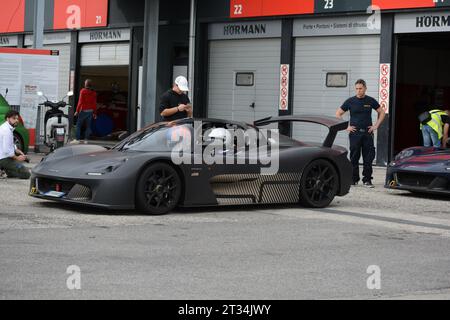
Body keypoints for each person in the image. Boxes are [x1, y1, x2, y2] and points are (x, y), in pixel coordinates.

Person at [336, 79, 386, 188]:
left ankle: (367, 180)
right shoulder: (350, 101)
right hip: (355, 134)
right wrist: (346, 127)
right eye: (357, 89)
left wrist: (376, 126)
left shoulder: (370, 100)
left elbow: (382, 112)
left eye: (360, 88)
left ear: (365, 88)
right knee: (354, 157)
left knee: (368, 158)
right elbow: (338, 113)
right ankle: (353, 180)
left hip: (367, 133)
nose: (358, 91)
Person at [0, 110, 30, 179]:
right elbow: (7, 151)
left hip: (4, 157)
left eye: (17, 118)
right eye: (14, 118)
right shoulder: (6, 131)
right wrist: (17, 158)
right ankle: (3, 168)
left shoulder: (7, 128)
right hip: (3, 158)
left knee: (14, 170)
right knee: (26, 174)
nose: (16, 120)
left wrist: (17, 150)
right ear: (8, 119)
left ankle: (4, 170)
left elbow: (9, 144)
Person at [74, 79, 97, 143]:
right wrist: (95, 113)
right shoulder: (94, 93)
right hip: (90, 111)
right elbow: (94, 103)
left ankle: (77, 139)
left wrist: (77, 111)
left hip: (83, 110)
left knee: (78, 125)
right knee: (88, 126)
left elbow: (80, 102)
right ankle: (86, 139)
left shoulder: (83, 91)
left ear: (85, 84)